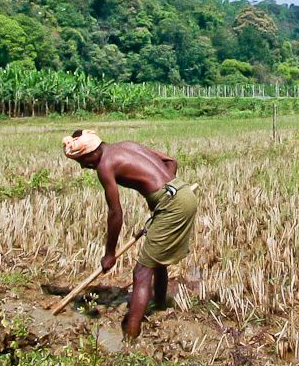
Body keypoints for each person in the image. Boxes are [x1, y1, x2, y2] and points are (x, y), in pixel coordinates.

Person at [62, 129, 199, 339]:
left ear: (92, 152)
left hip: (173, 205)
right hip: (182, 193)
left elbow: (115, 213)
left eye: (82, 160)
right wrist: (166, 195)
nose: (83, 166)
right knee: (156, 259)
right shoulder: (126, 146)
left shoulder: (105, 165)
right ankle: (160, 304)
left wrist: (110, 253)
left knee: (141, 272)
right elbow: (171, 161)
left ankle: (131, 338)